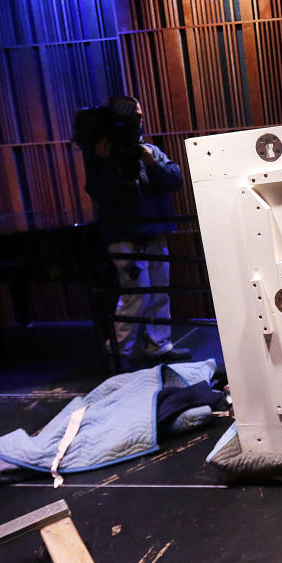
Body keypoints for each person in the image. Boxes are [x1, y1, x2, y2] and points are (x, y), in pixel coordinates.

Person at [79, 96, 190, 364]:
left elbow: (175, 180)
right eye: (132, 116)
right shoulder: (101, 154)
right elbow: (102, 194)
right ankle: (119, 352)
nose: (138, 121)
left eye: (139, 115)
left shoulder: (149, 150)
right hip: (125, 237)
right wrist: (107, 163)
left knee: (159, 294)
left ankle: (158, 347)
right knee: (134, 297)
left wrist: (153, 163)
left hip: (155, 231)